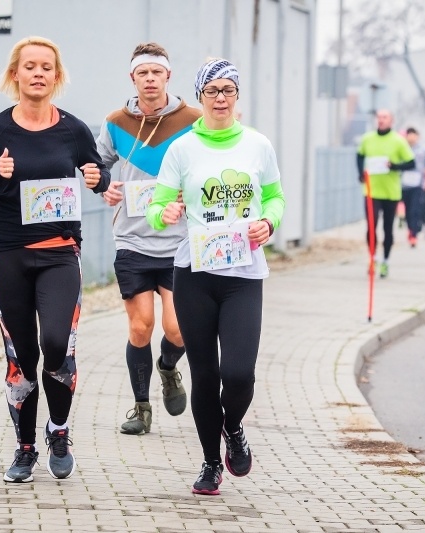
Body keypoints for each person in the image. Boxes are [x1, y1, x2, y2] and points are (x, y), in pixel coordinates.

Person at [0, 36, 110, 483]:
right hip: (9, 254)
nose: (38, 73)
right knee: (21, 355)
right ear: (15, 74)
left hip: (59, 254)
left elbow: (98, 175)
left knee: (57, 344)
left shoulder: (73, 130)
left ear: (56, 76)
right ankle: (25, 447)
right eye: (30, 66)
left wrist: (97, 177)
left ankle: (58, 430)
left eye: (46, 67)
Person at [145, 58, 285, 495]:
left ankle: (234, 426)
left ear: (237, 96)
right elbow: (156, 208)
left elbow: (275, 197)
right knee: (205, 375)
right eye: (212, 90)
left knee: (239, 373)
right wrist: (166, 212)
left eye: (228, 90)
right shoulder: (182, 149)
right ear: (201, 96)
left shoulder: (258, 145)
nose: (220, 98)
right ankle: (210, 462)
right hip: (195, 275)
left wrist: (269, 223)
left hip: (243, 275)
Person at [85, 42, 200, 436]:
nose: (150, 79)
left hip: (179, 241)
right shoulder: (116, 122)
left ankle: (167, 367)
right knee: (140, 327)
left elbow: (208, 165)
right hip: (132, 239)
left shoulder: (193, 119)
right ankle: (141, 407)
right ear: (132, 78)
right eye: (142, 73)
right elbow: (96, 165)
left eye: (156, 72)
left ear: (168, 76)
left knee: (177, 329)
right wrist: (104, 187)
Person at [356, 110, 415, 278]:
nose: (381, 120)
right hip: (371, 190)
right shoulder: (368, 138)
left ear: (391, 121)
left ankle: (386, 261)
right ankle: (372, 258)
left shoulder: (398, 141)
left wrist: (394, 166)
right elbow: (359, 156)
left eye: (385, 117)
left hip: (391, 192)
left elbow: (411, 163)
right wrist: (360, 173)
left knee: (387, 229)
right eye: (379, 117)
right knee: (371, 226)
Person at [401, 127, 425, 247]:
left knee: (416, 209)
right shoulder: (402, 147)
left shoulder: (424, 148)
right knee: (407, 209)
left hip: (418, 182)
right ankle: (410, 228)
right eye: (409, 135)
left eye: (414, 135)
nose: (411, 137)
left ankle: (414, 233)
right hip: (404, 182)